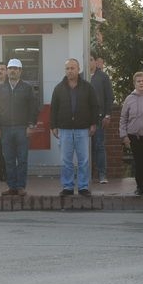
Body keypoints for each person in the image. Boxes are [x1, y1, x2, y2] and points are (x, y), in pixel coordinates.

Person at [0, 58, 40, 196]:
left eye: (16, 68)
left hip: (22, 129)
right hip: (5, 129)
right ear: (7, 71)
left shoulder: (27, 88)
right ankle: (11, 186)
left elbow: (33, 108)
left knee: (22, 159)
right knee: (9, 159)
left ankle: (20, 186)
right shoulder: (0, 89)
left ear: (20, 71)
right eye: (11, 68)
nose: (13, 71)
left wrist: (31, 125)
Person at [52, 58, 99, 196]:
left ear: (78, 70)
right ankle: (68, 187)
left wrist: (93, 123)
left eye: (73, 68)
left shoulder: (87, 87)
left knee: (83, 160)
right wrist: (53, 126)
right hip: (64, 129)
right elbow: (54, 109)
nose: (70, 71)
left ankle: (83, 186)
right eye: (67, 68)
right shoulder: (59, 88)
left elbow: (94, 106)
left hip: (82, 129)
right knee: (66, 161)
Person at [89, 53, 113, 183]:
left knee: (99, 146)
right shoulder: (81, 77)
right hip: (84, 120)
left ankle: (102, 175)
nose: (89, 62)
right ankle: (89, 175)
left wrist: (108, 115)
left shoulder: (103, 77)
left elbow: (109, 97)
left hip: (99, 119)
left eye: (91, 59)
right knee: (86, 148)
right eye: (86, 59)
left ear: (95, 61)